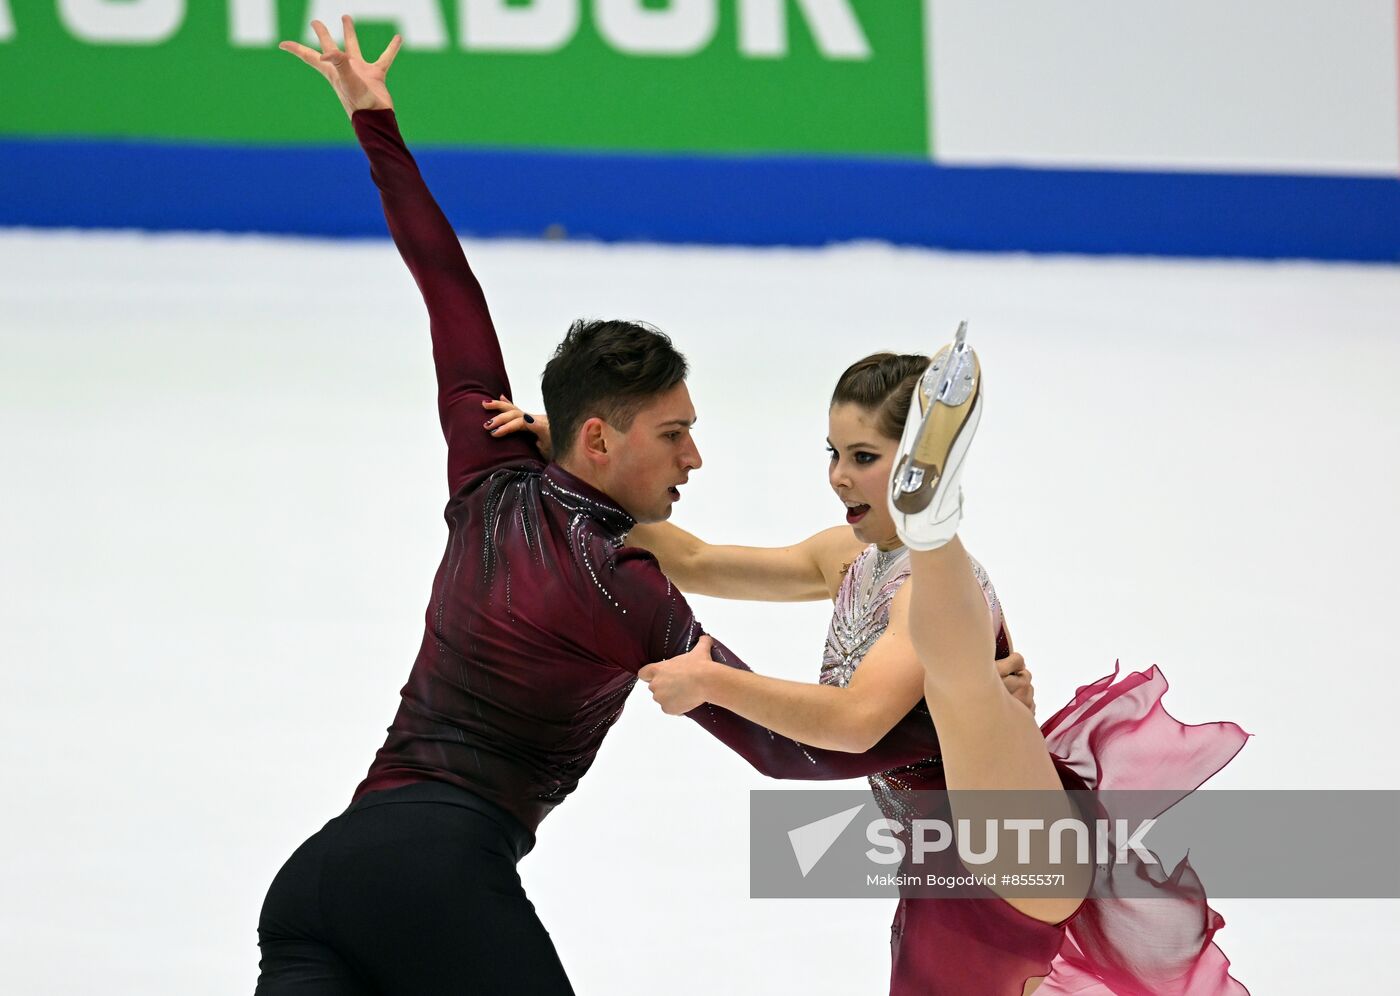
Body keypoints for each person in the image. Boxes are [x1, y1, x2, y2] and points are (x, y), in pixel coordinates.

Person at [256, 19, 1032, 995]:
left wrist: (377, 126)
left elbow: (445, 291)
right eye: (672, 436)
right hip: (438, 878)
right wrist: (965, 721)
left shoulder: (488, 472)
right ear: (598, 438)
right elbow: (795, 749)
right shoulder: (625, 591)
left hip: (317, 883)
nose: (695, 456)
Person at [489, 335, 1250, 994]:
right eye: (834, 454)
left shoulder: (911, 589)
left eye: (863, 458)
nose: (837, 475)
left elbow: (854, 724)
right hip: (950, 864)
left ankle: (937, 525)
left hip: (1004, 835)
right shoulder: (846, 555)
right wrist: (576, 450)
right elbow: (690, 555)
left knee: (954, 671)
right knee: (959, 678)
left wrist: (712, 681)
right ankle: (935, 525)